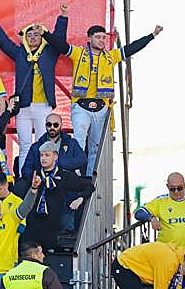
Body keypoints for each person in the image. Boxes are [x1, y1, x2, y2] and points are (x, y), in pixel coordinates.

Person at [42, 22, 161, 175]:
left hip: (101, 108)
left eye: (104, 37)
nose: (102, 40)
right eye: (98, 37)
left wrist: (152, 35)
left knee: (96, 147)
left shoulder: (111, 56)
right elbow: (61, 46)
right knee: (79, 139)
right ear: (89, 38)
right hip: (81, 106)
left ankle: (89, 176)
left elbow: (132, 48)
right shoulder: (79, 53)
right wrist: (45, 33)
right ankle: (74, 174)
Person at [19, 145, 93, 249]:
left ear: (55, 156)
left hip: (52, 227)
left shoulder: (64, 176)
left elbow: (89, 186)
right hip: (32, 226)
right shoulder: (34, 175)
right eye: (41, 155)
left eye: (47, 155)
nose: (43, 158)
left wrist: (80, 198)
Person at [134, 173, 185, 251]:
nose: (176, 191)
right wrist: (151, 218)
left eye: (180, 188)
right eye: (172, 189)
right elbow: (139, 213)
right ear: (167, 186)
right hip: (165, 253)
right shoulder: (160, 201)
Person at [20, 113, 86, 181]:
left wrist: (58, 163)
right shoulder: (36, 146)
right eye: (49, 124)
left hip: (65, 181)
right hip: (42, 182)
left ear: (61, 125)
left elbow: (82, 160)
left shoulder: (71, 143)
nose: (52, 127)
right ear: (45, 125)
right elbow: (25, 169)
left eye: (55, 125)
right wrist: (38, 176)